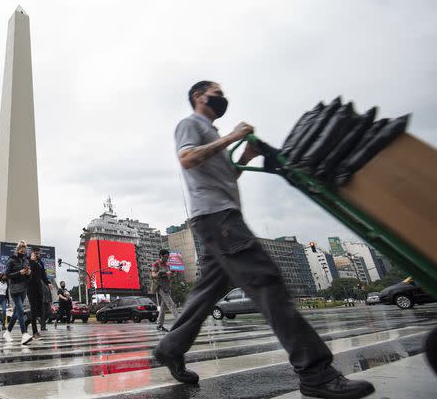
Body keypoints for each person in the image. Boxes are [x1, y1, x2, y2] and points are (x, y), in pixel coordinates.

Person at [153, 81, 374, 399]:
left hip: (220, 217)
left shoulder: (212, 133)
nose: (221, 97)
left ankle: (170, 347)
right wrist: (233, 137)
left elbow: (226, 176)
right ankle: (315, 372)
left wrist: (245, 152)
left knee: (207, 292)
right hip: (218, 218)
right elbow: (187, 159)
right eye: (215, 92)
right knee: (267, 281)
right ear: (199, 97)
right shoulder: (190, 124)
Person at [3, 240, 33, 345]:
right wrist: (19, 273)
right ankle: (24, 334)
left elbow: (29, 278)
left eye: (25, 250)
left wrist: (29, 273)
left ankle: (7, 332)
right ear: (18, 250)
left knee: (16, 312)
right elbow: (7, 275)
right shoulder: (11, 260)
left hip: (23, 288)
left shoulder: (26, 261)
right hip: (14, 288)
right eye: (21, 250)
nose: (23, 251)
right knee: (20, 310)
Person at [26, 246, 51, 339]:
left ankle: (26, 322)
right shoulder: (27, 261)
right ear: (31, 252)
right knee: (33, 308)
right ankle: (35, 332)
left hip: (39, 287)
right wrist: (32, 261)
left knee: (40, 310)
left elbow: (43, 275)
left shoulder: (40, 262)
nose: (37, 255)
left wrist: (48, 283)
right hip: (30, 287)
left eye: (38, 253)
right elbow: (27, 273)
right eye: (35, 253)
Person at [152, 249, 179, 332]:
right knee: (171, 304)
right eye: (166, 257)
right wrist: (161, 273)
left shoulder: (168, 265)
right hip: (160, 287)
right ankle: (180, 323)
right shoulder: (156, 264)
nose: (167, 258)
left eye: (168, 257)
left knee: (163, 307)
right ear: (161, 256)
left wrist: (173, 273)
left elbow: (172, 275)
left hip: (167, 287)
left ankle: (159, 325)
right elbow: (153, 275)